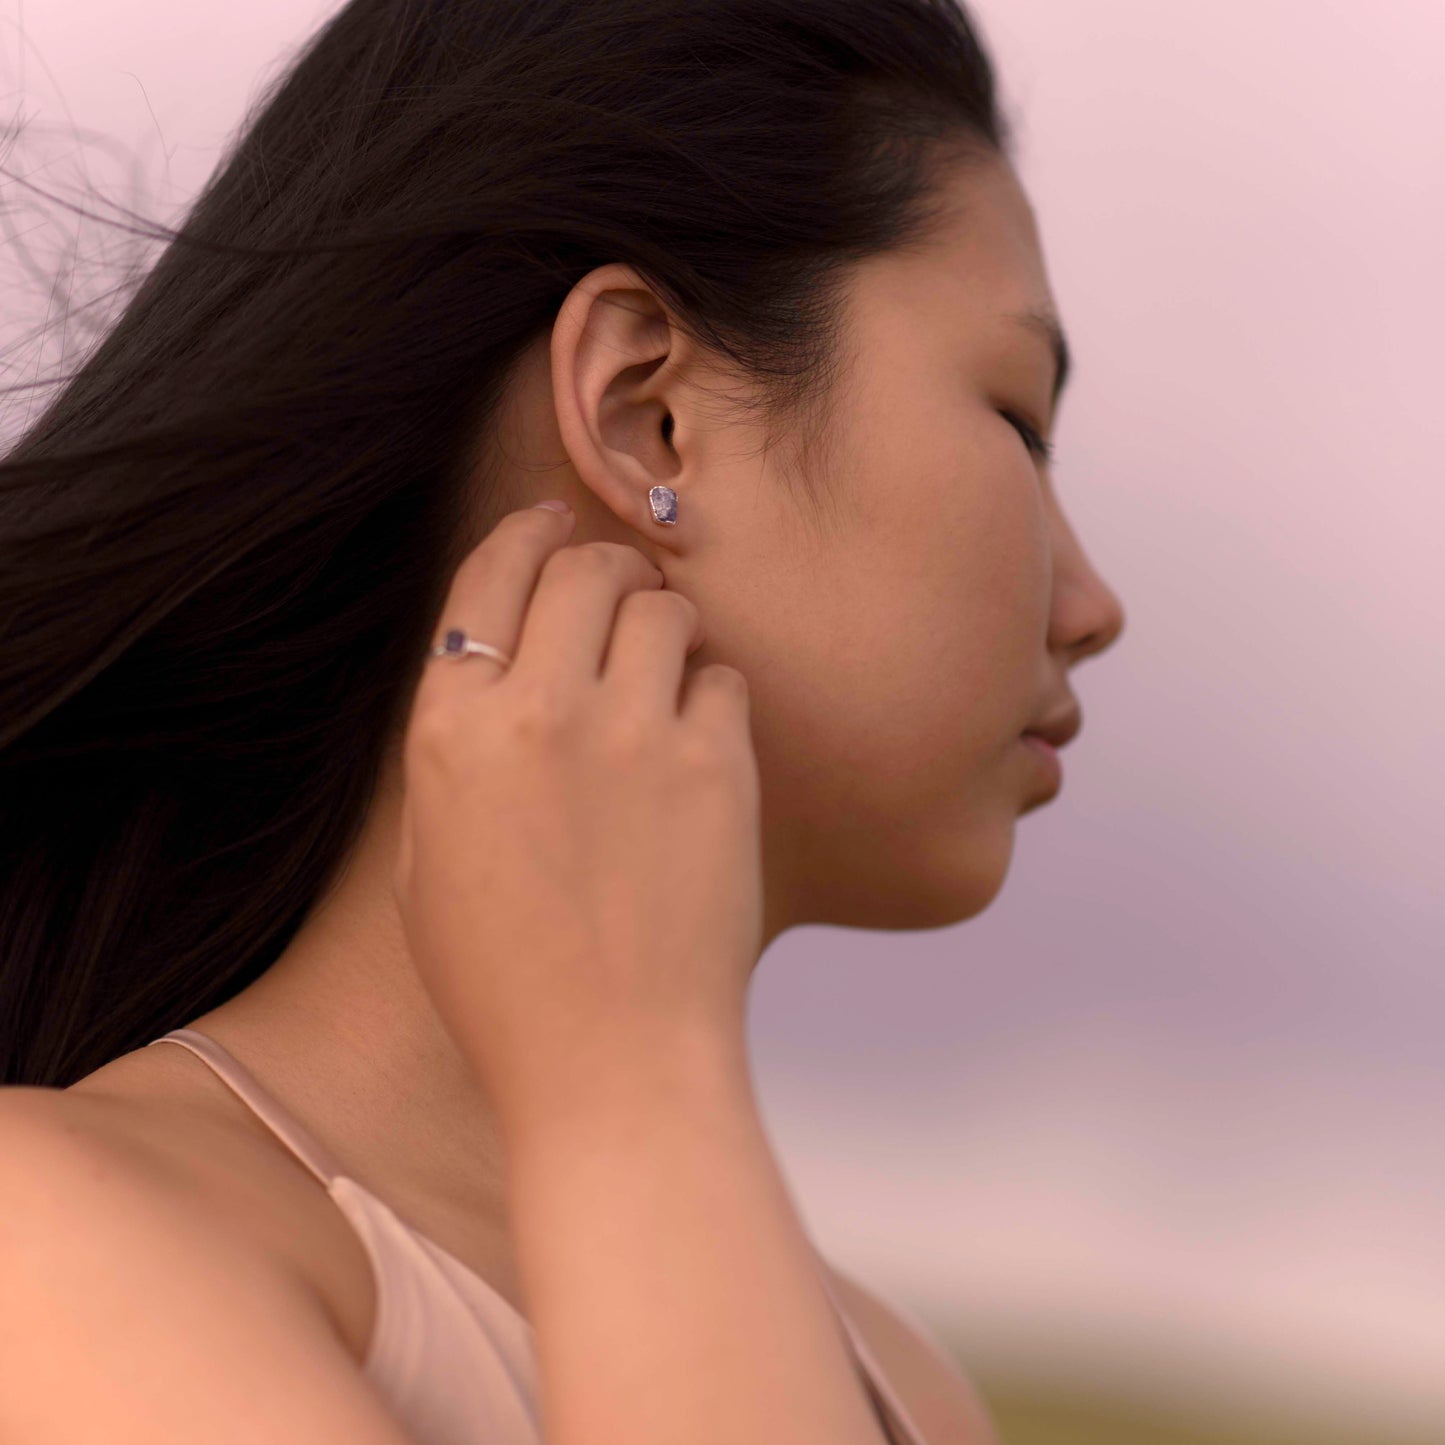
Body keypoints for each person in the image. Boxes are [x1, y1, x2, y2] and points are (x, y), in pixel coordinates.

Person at [0, 1, 1124, 1441]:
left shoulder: (898, 1380)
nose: (1090, 600)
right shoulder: (59, 1250)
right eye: (1018, 423)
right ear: (646, 410)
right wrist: (625, 1071)